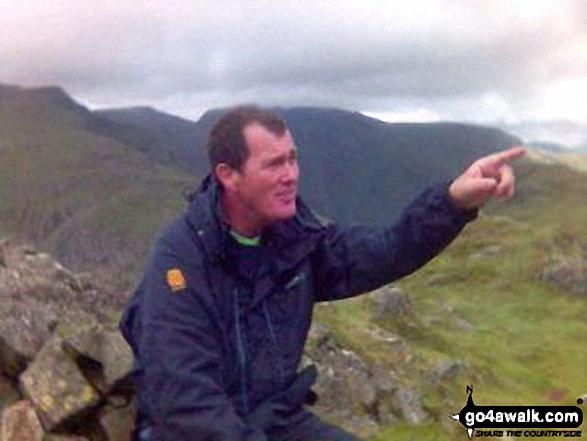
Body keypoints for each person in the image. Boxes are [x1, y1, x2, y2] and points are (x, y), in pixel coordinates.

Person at [120, 105, 525, 441]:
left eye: (293, 158)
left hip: (273, 420)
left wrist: (454, 201)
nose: (291, 175)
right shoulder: (182, 261)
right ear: (229, 175)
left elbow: (385, 251)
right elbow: (185, 402)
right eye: (274, 164)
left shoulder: (294, 241)